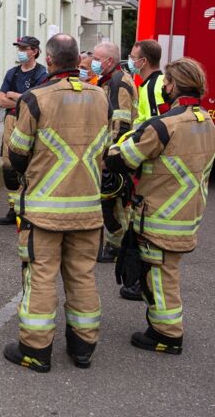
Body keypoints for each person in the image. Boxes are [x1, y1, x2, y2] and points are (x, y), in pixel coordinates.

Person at [3, 34, 110, 372]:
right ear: (78, 60)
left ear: (48, 60)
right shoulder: (101, 97)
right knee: (82, 276)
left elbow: (18, 152)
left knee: (42, 277)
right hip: (89, 208)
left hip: (45, 210)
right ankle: (83, 348)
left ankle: (35, 350)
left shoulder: (36, 98)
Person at [106, 57, 215, 354]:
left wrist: (121, 141)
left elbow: (121, 158)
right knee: (168, 270)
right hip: (188, 213)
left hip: (159, 215)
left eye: (167, 82)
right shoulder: (206, 120)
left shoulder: (164, 125)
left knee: (159, 274)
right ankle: (165, 327)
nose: (164, 86)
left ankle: (167, 334)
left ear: (174, 84)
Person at [120, 39, 168, 301]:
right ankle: (140, 279)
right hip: (148, 161)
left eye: (133, 56)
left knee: (144, 221)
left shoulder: (154, 87)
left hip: (151, 165)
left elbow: (155, 126)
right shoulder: (149, 84)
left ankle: (141, 282)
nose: (130, 60)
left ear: (144, 61)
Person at [92, 41, 138, 262]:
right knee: (110, 201)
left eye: (97, 58)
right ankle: (115, 243)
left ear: (109, 61)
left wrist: (110, 156)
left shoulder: (118, 81)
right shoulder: (110, 79)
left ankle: (118, 246)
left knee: (115, 201)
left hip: (116, 153)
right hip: (113, 151)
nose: (93, 62)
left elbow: (121, 123)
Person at [0, 36, 47, 225]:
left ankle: (29, 208)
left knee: (30, 162)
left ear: (34, 51)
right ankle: (14, 208)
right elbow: (1, 100)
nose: (20, 51)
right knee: (8, 164)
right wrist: (23, 98)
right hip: (11, 119)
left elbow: (39, 100)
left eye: (24, 48)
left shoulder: (42, 73)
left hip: (32, 121)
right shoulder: (13, 73)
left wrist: (15, 96)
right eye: (18, 47)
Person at [129, 40, 167, 127]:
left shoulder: (151, 88)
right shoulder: (160, 81)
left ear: (144, 61)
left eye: (133, 58)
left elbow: (154, 128)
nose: (130, 61)